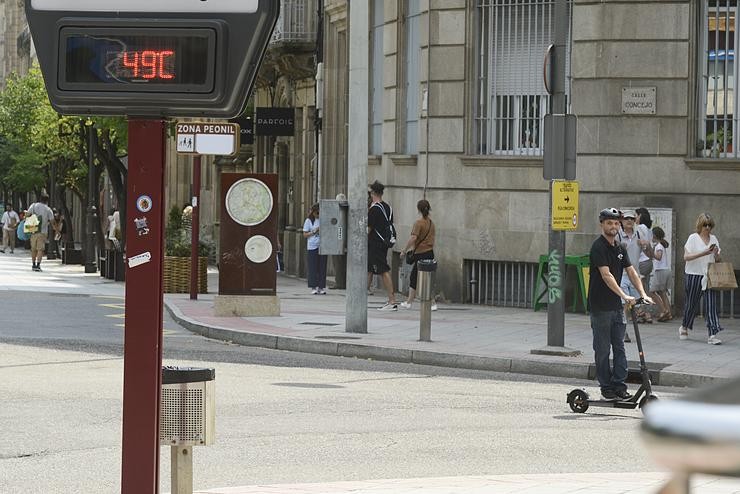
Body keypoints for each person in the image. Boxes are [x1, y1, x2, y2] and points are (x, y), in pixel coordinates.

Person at [589, 208, 653, 400]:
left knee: (619, 346)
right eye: (610, 223)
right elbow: (606, 275)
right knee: (602, 349)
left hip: (616, 307)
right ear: (602, 224)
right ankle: (606, 388)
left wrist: (642, 293)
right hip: (600, 306)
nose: (614, 226)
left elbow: (632, 271)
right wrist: (624, 295)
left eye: (616, 223)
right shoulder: (598, 247)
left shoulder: (619, 247)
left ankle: (619, 386)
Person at [679, 212, 723, 344]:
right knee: (691, 304)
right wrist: (704, 253)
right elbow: (686, 257)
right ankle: (684, 327)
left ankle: (712, 334)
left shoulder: (714, 239)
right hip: (693, 274)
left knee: (711, 305)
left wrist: (715, 254)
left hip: (709, 275)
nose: (707, 228)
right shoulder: (693, 238)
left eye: (710, 225)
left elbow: (719, 259)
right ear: (700, 225)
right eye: (705, 225)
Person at [399, 199, 437, 311]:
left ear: (418, 210)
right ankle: (413, 302)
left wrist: (404, 250)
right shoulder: (431, 223)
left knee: (414, 277)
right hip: (430, 252)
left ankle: (412, 302)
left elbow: (413, 238)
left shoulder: (418, 223)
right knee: (427, 278)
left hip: (420, 253)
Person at [617, 211, 650, 338]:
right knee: (625, 304)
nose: (629, 221)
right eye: (626, 219)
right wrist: (618, 247)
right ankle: (622, 332)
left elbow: (650, 255)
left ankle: (621, 327)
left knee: (634, 306)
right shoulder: (618, 235)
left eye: (631, 218)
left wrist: (645, 246)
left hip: (635, 275)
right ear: (622, 221)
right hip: (622, 275)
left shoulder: (639, 234)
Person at [367, 180, 398, 310]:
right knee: (370, 268)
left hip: (376, 244)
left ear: (373, 193)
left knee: (383, 270)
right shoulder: (388, 207)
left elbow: (369, 229)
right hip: (385, 242)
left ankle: (392, 301)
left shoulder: (374, 209)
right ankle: (362, 294)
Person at [303, 204, 327, 294]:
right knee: (313, 267)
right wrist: (314, 231)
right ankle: (313, 287)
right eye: (317, 213)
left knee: (322, 266)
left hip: (322, 246)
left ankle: (321, 287)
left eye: (320, 213)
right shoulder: (309, 221)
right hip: (312, 246)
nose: (318, 215)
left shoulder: (323, 220)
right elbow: (305, 234)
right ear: (313, 212)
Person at [650, 226, 673, 322]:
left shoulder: (659, 246)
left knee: (651, 292)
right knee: (662, 293)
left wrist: (651, 253)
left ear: (654, 235)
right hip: (665, 270)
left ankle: (664, 311)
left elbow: (658, 257)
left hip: (660, 271)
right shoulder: (661, 245)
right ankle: (669, 313)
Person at [27, 194, 54, 271]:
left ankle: (33, 264)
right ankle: (38, 265)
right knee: (40, 249)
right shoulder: (48, 209)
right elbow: (52, 221)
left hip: (33, 230)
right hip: (42, 232)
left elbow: (28, 215)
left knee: (33, 249)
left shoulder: (33, 205)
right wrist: (57, 231)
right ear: (47, 201)